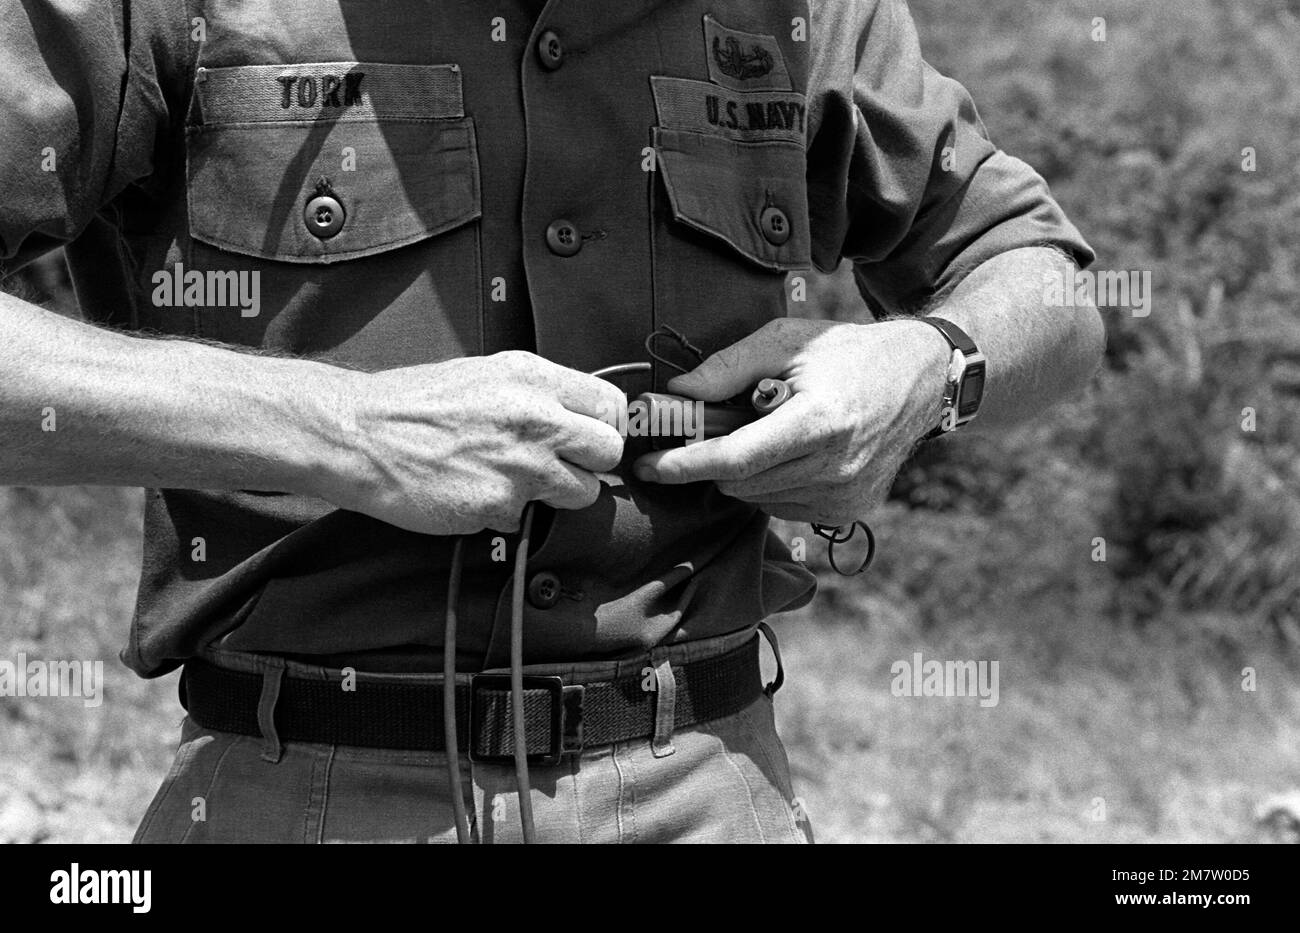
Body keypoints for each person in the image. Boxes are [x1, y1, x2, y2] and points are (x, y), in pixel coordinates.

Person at [0, 0, 1102, 843]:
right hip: (300, 792)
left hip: (709, 790)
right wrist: (341, 428)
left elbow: (1044, 285)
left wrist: (926, 365)